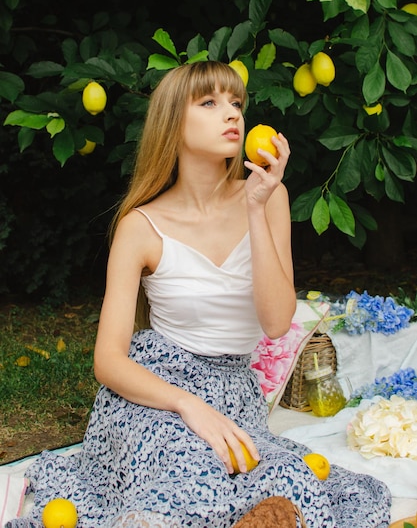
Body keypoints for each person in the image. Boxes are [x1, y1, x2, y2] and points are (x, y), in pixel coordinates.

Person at [8, 61, 391, 528]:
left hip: (234, 391)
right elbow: (108, 361)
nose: (231, 114)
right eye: (209, 103)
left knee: (290, 480)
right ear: (174, 122)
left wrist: (255, 206)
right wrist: (189, 405)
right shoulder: (139, 226)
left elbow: (275, 323)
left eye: (236, 103)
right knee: (182, 473)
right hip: (157, 389)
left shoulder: (270, 197)